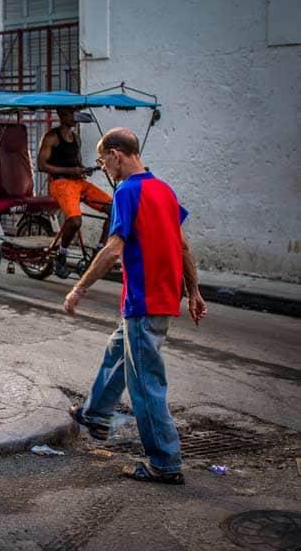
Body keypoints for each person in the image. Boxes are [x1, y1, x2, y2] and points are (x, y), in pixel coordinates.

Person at [63, 127, 207, 485]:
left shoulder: (128, 191)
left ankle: (165, 462)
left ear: (116, 154)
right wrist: (194, 291)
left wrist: (78, 289)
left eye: (103, 161)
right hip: (157, 299)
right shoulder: (164, 189)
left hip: (145, 301)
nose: (105, 169)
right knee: (117, 352)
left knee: (146, 386)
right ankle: (95, 413)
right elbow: (183, 247)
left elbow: (113, 249)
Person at [38, 107, 112, 278]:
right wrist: (70, 170)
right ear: (62, 114)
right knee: (75, 221)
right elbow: (42, 165)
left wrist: (83, 170)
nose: (75, 116)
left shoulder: (76, 138)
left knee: (114, 208)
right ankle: (61, 256)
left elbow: (77, 163)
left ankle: (98, 253)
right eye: (72, 113)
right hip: (60, 183)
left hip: (78, 182)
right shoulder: (52, 137)